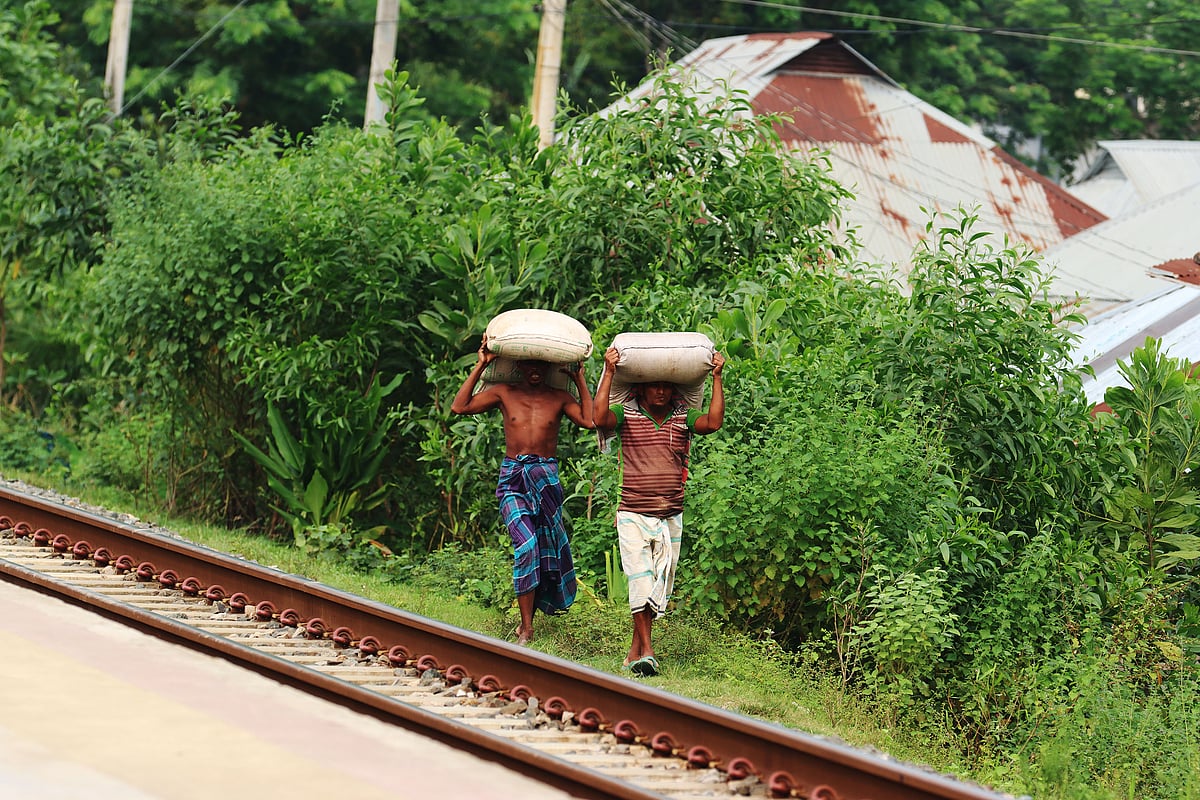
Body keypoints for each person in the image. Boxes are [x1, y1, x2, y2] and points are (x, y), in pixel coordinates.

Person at [451, 338, 594, 646]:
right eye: (529, 364)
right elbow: (460, 406)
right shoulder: (504, 393)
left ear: (550, 367)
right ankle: (527, 628)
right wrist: (481, 364)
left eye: (541, 365)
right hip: (514, 477)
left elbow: (590, 420)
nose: (535, 370)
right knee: (527, 545)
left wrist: (579, 379)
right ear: (518, 365)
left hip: (546, 478)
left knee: (546, 548)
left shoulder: (559, 397)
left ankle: (532, 617)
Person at [593, 345, 725, 676]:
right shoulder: (626, 414)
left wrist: (717, 377)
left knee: (657, 584)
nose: (661, 391)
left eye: (666, 385)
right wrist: (608, 372)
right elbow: (599, 419)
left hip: (670, 515)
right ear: (641, 388)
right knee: (640, 579)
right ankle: (649, 652)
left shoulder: (683, 417)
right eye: (654, 385)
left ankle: (634, 651)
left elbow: (713, 423)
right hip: (633, 512)